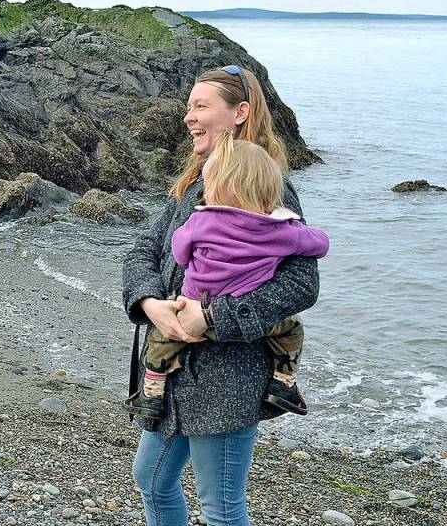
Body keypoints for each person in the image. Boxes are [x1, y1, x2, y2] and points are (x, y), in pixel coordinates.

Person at [94, 66, 322, 526]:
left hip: (227, 377)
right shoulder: (196, 180)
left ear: (239, 113)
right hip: (170, 367)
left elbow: (301, 287)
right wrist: (148, 302)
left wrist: (212, 318)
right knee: (151, 475)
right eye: (188, 106)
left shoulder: (268, 187)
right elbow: (145, 247)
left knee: (221, 506)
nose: (188, 117)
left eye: (201, 106)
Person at [134, 131, 330, 424]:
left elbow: (178, 251)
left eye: (201, 105)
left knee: (162, 342)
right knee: (291, 331)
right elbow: (320, 244)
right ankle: (284, 382)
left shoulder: (201, 219)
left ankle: (151, 392)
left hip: (188, 307)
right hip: (243, 322)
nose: (190, 117)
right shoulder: (281, 230)